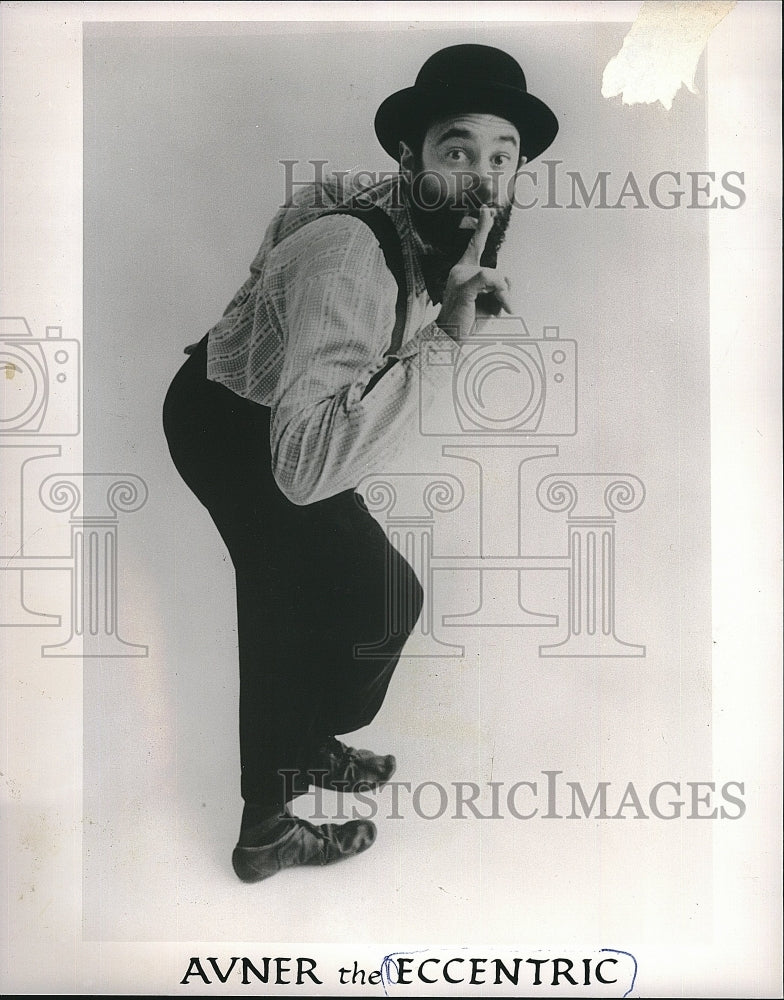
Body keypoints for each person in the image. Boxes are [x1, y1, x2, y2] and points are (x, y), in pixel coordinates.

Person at [162, 43, 558, 883]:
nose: (484, 181)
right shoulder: (352, 254)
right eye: (459, 152)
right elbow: (304, 470)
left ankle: (303, 744)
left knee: (380, 598)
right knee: (296, 610)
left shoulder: (424, 220)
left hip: (278, 414)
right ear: (409, 157)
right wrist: (447, 339)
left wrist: (442, 303)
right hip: (234, 425)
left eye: (503, 157)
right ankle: (268, 827)